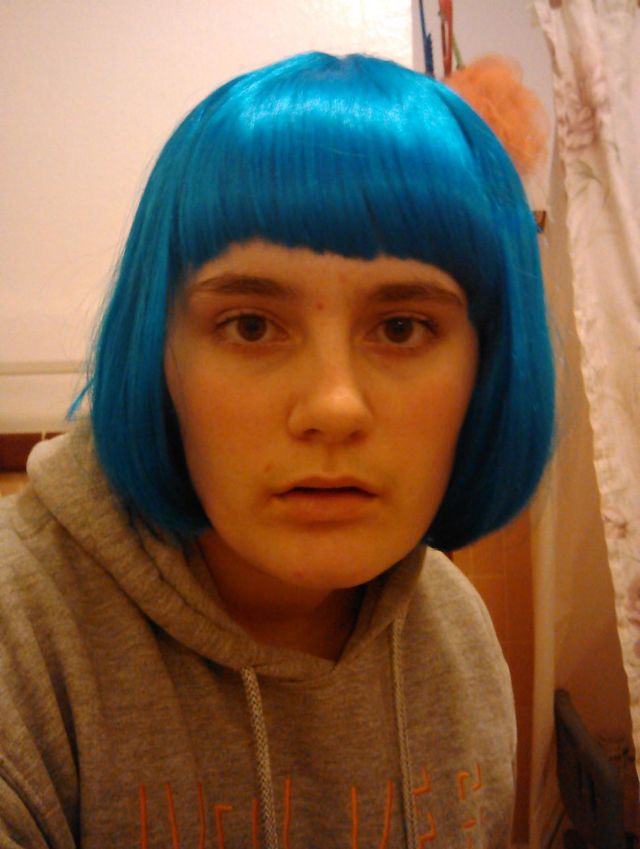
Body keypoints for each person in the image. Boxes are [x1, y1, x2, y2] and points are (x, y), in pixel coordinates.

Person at [0, 51, 554, 849]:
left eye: (402, 327)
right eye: (252, 325)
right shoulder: (23, 641)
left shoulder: (456, 638)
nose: (333, 406)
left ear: (487, 364)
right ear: (159, 354)